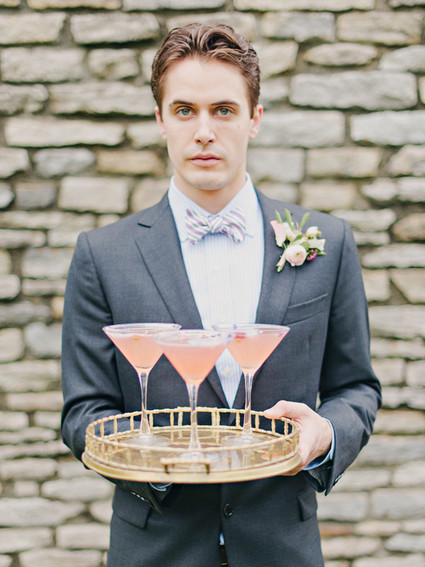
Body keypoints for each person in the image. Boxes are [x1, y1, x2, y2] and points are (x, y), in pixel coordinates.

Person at [61, 23, 381, 567]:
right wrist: (156, 464)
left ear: (254, 119)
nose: (204, 131)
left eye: (224, 110)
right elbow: (83, 412)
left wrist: (323, 435)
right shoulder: (102, 255)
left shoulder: (326, 242)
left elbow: (356, 388)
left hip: (282, 549)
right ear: (160, 120)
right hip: (156, 549)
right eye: (185, 110)